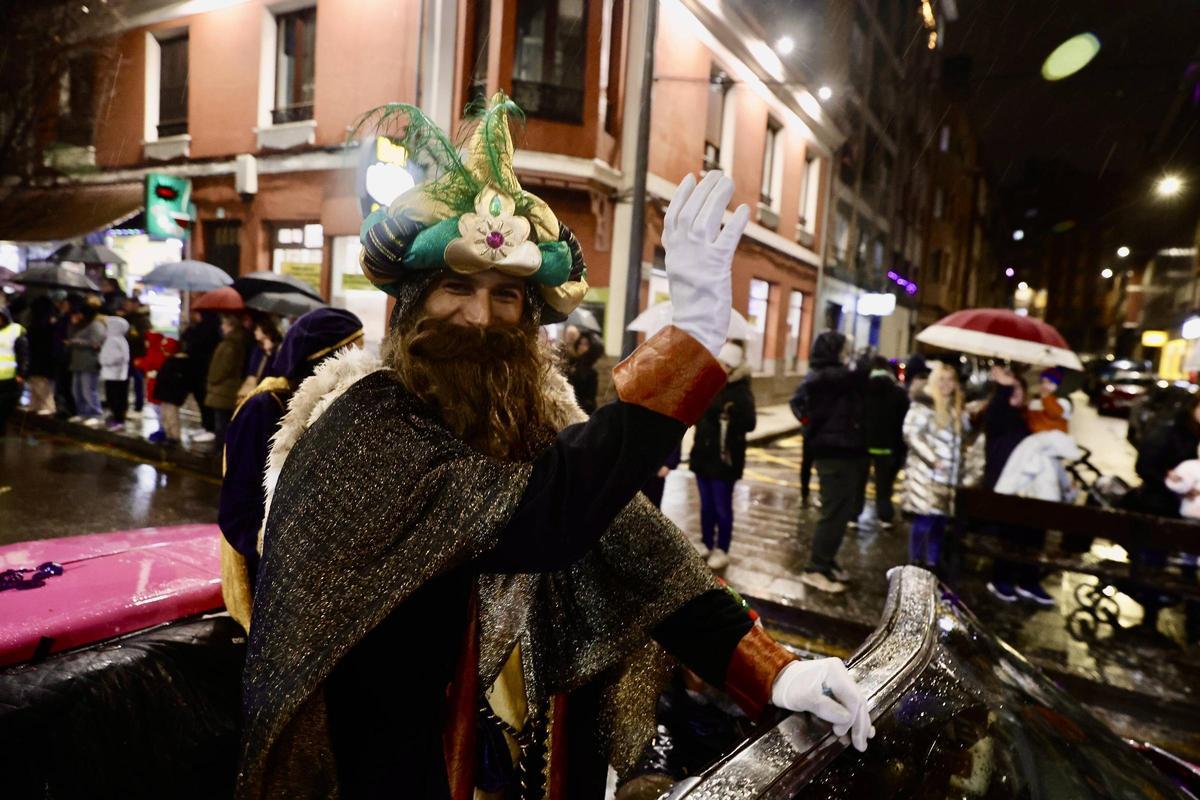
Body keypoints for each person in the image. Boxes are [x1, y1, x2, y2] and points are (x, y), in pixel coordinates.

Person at [236, 98, 871, 799]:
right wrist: (686, 343)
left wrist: (774, 670)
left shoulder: (522, 422)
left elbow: (640, 548)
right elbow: (547, 517)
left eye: (506, 296)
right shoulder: (370, 423)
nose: (479, 316)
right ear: (412, 303)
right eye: (455, 287)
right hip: (365, 765)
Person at [219, 308, 364, 619]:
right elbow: (238, 508)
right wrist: (277, 557)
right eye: (353, 350)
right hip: (277, 578)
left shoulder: (347, 405)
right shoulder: (264, 408)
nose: (362, 362)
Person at [791, 330, 868, 593]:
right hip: (832, 453)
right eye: (844, 348)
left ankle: (827, 561)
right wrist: (810, 427)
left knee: (843, 510)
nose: (847, 352)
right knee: (834, 512)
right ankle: (815, 568)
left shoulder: (834, 376)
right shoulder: (826, 377)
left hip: (846, 451)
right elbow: (797, 403)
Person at [982, 366, 1052, 605]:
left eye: (1019, 389)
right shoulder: (998, 414)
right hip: (1004, 486)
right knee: (1009, 533)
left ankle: (1028, 580)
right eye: (1012, 389)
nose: (1016, 393)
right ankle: (1001, 578)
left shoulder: (1028, 418)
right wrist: (1005, 385)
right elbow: (997, 411)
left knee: (1034, 532)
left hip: (1029, 487)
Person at [689, 341, 757, 570]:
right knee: (706, 505)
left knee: (721, 506)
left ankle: (723, 549)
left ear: (732, 366)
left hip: (724, 459)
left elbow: (750, 423)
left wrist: (728, 414)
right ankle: (707, 543)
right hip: (703, 455)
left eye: (723, 363)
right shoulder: (708, 384)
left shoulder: (740, 391)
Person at [901, 363, 969, 569]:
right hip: (927, 474)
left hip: (948, 477)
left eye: (951, 380)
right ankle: (916, 562)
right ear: (933, 381)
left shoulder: (956, 409)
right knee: (924, 520)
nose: (947, 384)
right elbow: (911, 434)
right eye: (942, 379)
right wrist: (933, 459)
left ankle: (932, 562)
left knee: (940, 522)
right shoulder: (924, 405)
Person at [856, 356, 909, 531]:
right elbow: (903, 422)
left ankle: (853, 515)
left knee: (858, 482)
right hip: (887, 446)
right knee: (884, 484)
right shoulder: (898, 393)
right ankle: (885, 516)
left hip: (863, 445)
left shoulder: (861, 390)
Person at [201, 313, 250, 448]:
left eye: (224, 324)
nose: (221, 327)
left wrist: (212, 379)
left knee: (221, 424)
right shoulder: (235, 341)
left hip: (223, 389)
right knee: (224, 422)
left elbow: (223, 367)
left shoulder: (230, 344)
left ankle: (221, 451)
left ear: (230, 326)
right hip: (226, 388)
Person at [65, 303, 106, 426]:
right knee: (76, 389)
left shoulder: (96, 325)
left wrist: (75, 342)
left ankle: (95, 413)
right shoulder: (80, 325)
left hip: (89, 362)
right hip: (77, 362)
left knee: (88, 389)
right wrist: (73, 325)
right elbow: (70, 336)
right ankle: (82, 412)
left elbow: (96, 342)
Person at [237, 316, 282, 407]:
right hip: (255, 388)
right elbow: (252, 369)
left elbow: (276, 369)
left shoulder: (278, 349)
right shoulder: (257, 349)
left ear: (266, 332)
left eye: (258, 330)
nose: (255, 332)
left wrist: (270, 354)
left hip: (269, 389)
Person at [25, 296, 58, 415]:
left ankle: (47, 406)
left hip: (39, 359)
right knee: (38, 383)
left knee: (40, 383)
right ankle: (37, 405)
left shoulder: (36, 326)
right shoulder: (51, 325)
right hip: (44, 359)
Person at [0, 305, 29, 434]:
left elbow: (23, 354)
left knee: (5, 406)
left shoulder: (15, 331)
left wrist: (21, 374)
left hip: (9, 378)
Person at [98, 315, 130, 430]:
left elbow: (116, 357)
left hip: (114, 374)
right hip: (116, 374)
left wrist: (103, 360)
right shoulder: (119, 339)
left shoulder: (113, 340)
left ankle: (118, 419)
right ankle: (117, 418)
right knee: (117, 397)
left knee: (115, 397)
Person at [122, 296, 152, 417]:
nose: (126, 306)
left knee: (138, 381)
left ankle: (139, 405)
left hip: (138, 355)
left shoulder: (142, 320)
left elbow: (146, 336)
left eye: (128, 304)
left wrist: (133, 336)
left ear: (135, 305)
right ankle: (124, 405)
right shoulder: (125, 318)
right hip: (125, 354)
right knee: (124, 380)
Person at [565, 328, 602, 414]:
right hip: (568, 407)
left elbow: (590, 398)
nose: (582, 347)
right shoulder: (571, 363)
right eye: (580, 344)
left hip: (582, 411)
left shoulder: (592, 371)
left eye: (585, 344)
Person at [1026, 368, 1071, 433]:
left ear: (1058, 385)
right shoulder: (1036, 400)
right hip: (1034, 436)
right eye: (1042, 382)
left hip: (1053, 439)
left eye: (1050, 382)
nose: (1045, 385)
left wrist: (1046, 398)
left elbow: (1056, 413)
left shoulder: (1063, 401)